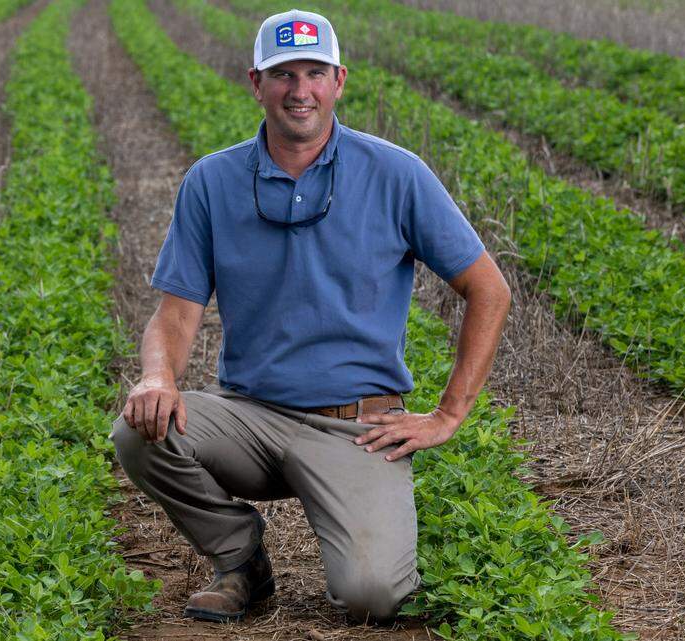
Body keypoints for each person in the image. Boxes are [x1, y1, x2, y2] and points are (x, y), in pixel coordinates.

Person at [110, 8, 511, 626]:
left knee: (372, 595)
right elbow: (175, 316)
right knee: (139, 430)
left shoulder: (395, 173)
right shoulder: (212, 182)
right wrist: (158, 376)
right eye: (284, 74)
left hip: (356, 427)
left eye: (315, 73)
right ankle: (241, 562)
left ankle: (360, 536)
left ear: (339, 80)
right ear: (256, 83)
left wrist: (448, 414)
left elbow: (489, 290)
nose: (301, 91)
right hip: (251, 414)